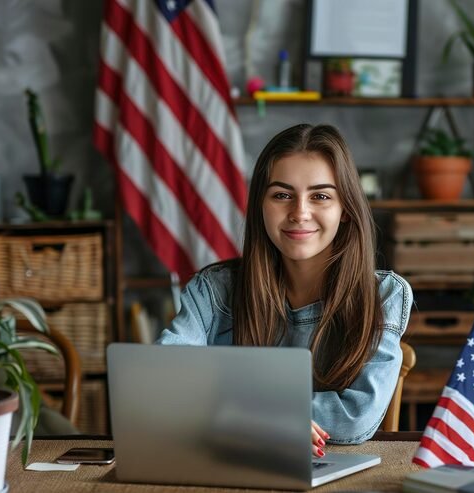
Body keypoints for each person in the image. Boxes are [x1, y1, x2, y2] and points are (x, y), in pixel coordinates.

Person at [156, 123, 412, 458]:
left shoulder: (383, 294)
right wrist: (271, 416)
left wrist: (240, 412)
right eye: (282, 195)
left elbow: (354, 419)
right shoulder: (214, 290)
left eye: (320, 196)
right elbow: (162, 381)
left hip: (331, 471)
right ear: (261, 205)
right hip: (228, 463)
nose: (300, 213)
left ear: (346, 209)